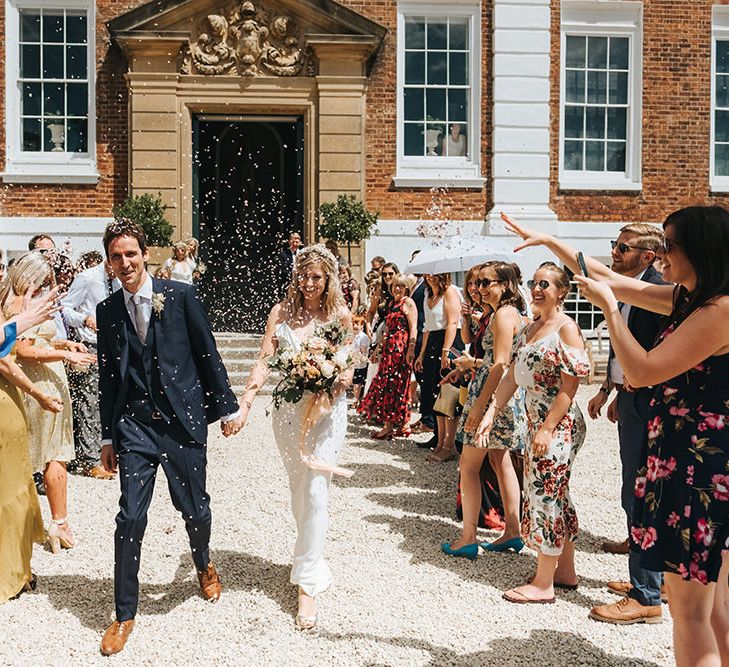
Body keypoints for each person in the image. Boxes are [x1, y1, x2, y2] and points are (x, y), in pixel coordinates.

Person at [506, 207, 729, 665]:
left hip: (699, 470)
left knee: (690, 612)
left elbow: (643, 371)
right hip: (687, 458)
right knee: (717, 610)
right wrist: (549, 240)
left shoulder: (718, 311)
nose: (661, 256)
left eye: (670, 245)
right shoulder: (690, 297)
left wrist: (609, 310)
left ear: (701, 250)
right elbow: (604, 272)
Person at [96, 219, 243, 656]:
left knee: (194, 509)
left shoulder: (179, 296)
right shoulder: (107, 312)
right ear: (109, 262)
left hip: (181, 422)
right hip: (135, 426)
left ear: (146, 254)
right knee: (130, 518)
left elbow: (206, 351)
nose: (125, 263)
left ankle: (202, 563)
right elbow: (108, 378)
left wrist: (228, 407)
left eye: (132, 254)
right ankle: (124, 614)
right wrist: (107, 436)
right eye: (117, 256)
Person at [236, 244, 352, 632]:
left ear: (329, 278)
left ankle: (307, 584)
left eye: (316, 277)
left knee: (318, 488)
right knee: (299, 489)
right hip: (288, 413)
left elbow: (349, 367)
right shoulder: (281, 313)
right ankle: (310, 552)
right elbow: (265, 359)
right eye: (303, 276)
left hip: (328, 412)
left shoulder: (339, 315)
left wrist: (329, 386)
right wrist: (246, 404)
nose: (309, 283)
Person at [479, 262, 590, 603]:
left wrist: (546, 429)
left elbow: (569, 388)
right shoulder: (530, 329)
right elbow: (512, 376)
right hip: (533, 423)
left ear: (561, 292)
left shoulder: (566, 328)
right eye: (534, 282)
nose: (537, 288)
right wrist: (491, 412)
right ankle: (565, 571)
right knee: (555, 494)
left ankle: (544, 583)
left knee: (545, 496)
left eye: (546, 283)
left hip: (557, 425)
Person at [582, 225, 667, 625]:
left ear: (648, 256)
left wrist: (634, 390)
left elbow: (658, 353)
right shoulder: (630, 287)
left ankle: (646, 593)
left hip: (650, 403)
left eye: (622, 247)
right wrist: (609, 390)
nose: (614, 252)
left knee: (642, 492)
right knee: (633, 486)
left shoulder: (655, 293)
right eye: (614, 245)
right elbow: (621, 347)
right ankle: (654, 570)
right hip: (630, 398)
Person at [2, 253, 96, 554]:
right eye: (42, 281)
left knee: (36, 456)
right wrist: (66, 356)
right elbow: (24, 351)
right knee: (54, 455)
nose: (46, 286)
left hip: (40, 383)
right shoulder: (19, 304)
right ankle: (59, 523)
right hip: (38, 387)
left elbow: (36, 342)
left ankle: (42, 524)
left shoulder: (16, 302)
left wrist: (63, 343)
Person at [443, 262, 527, 559]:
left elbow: (500, 364)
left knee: (468, 466)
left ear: (505, 285)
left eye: (486, 282)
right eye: (477, 283)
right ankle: (513, 531)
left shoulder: (504, 314)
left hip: (492, 397)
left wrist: (480, 407)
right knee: (500, 459)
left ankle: (468, 537)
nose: (479, 288)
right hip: (499, 395)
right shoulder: (501, 313)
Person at [0, 288, 64, 603]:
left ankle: (20, 569)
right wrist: (19, 323)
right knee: (11, 491)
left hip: (9, 403)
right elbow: (5, 362)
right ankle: (10, 574)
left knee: (15, 487)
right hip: (3, 405)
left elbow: (6, 360)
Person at [61, 255, 121, 479]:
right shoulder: (87, 278)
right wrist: (85, 319)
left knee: (112, 401)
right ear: (109, 260)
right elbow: (65, 308)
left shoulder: (120, 281)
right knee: (90, 401)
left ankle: (110, 453)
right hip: (90, 346)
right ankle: (89, 459)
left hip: (115, 347)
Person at [359, 274, 418, 439]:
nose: (396, 289)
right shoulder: (393, 303)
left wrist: (411, 350)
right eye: (394, 286)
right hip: (389, 347)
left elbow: (413, 328)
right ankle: (398, 424)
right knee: (389, 384)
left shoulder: (408, 303)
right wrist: (378, 349)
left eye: (400, 286)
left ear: (406, 287)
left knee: (398, 384)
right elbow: (386, 331)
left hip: (401, 347)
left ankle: (393, 425)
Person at [414, 273, 463, 457]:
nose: (431, 276)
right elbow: (427, 327)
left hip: (449, 341)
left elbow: (452, 322)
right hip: (433, 341)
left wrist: (446, 351)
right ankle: (440, 439)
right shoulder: (428, 293)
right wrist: (421, 354)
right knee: (433, 391)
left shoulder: (449, 292)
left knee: (448, 393)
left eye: (435, 273)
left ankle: (449, 444)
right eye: (428, 273)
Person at [351, 315, 370, 405]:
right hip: (352, 362)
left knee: (357, 382)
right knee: (354, 381)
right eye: (353, 323)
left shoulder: (363, 337)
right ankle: (356, 398)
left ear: (362, 326)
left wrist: (357, 354)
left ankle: (356, 399)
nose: (355, 326)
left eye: (357, 324)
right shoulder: (352, 335)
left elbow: (363, 351)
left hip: (360, 362)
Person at [279, 232, 302, 296]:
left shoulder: (303, 254)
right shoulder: (283, 255)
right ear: (289, 242)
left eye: (297, 242)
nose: (295, 244)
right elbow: (282, 271)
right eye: (293, 242)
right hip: (288, 284)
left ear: (300, 242)